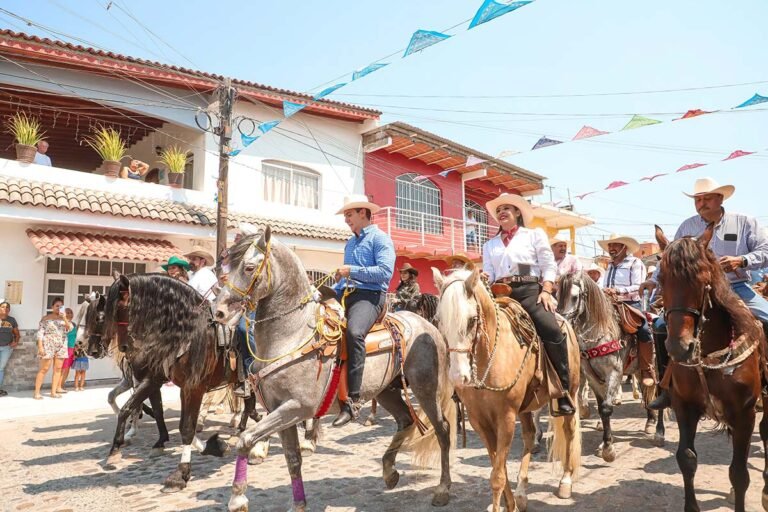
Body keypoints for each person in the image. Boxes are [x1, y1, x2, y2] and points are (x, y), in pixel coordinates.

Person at [641, 177, 768, 409]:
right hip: (695, 290)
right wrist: (652, 279)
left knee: (766, 318)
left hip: (735, 286)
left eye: (707, 198)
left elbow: (765, 250)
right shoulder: (686, 227)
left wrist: (742, 260)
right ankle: (667, 386)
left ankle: (765, 378)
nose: (701, 203)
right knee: (660, 326)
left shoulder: (744, 222)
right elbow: (670, 257)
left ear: (720, 198)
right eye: (697, 200)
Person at [481, 193, 574, 416]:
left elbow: (548, 265)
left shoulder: (534, 235)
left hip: (529, 292)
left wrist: (547, 290)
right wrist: (485, 276)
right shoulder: (489, 244)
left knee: (551, 330)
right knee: (473, 327)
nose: (502, 212)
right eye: (498, 210)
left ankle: (562, 391)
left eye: (506, 208)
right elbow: (490, 271)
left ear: (517, 213)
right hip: (498, 294)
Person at [331, 194, 395, 427]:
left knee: (354, 332)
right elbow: (346, 277)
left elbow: (385, 273)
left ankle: (353, 400)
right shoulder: (350, 242)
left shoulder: (381, 239)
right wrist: (331, 289)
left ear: (362, 213)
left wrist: (352, 270)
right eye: (345, 215)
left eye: (349, 214)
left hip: (371, 296)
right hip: (346, 294)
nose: (346, 219)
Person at [599, 234, 655, 387]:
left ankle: (647, 369)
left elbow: (639, 286)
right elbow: (605, 286)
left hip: (631, 303)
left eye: (615, 245)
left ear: (624, 247)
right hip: (609, 304)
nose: (611, 248)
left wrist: (618, 290)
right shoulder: (609, 265)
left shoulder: (635, 263)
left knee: (644, 330)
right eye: (610, 245)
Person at [33, 298, 70, 399]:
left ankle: (53, 392)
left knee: (58, 369)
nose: (59, 308)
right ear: (52, 307)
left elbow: (70, 328)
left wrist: (65, 318)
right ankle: (37, 392)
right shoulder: (46, 318)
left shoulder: (64, 318)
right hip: (48, 344)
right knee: (44, 369)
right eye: (57, 306)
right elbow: (40, 333)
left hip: (61, 345)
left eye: (61, 306)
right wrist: (40, 346)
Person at [0, 301, 20, 397]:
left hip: (6, 348)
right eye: (3, 307)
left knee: (1, 368)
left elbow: (17, 334)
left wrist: (15, 342)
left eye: (7, 307)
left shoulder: (12, 320)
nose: (5, 309)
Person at [58, 308, 77, 393]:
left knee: (67, 368)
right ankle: (58, 386)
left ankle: (62, 385)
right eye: (68, 313)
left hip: (72, 348)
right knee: (63, 368)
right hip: (65, 347)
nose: (70, 314)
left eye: (71, 312)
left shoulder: (74, 324)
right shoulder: (63, 323)